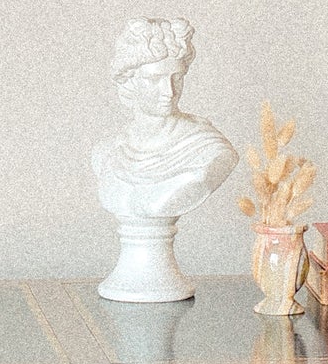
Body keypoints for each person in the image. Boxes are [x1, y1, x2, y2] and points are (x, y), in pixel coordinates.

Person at [92, 17, 237, 220]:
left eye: (177, 78)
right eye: (154, 79)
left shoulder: (208, 148)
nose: (169, 91)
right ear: (129, 83)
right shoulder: (107, 152)